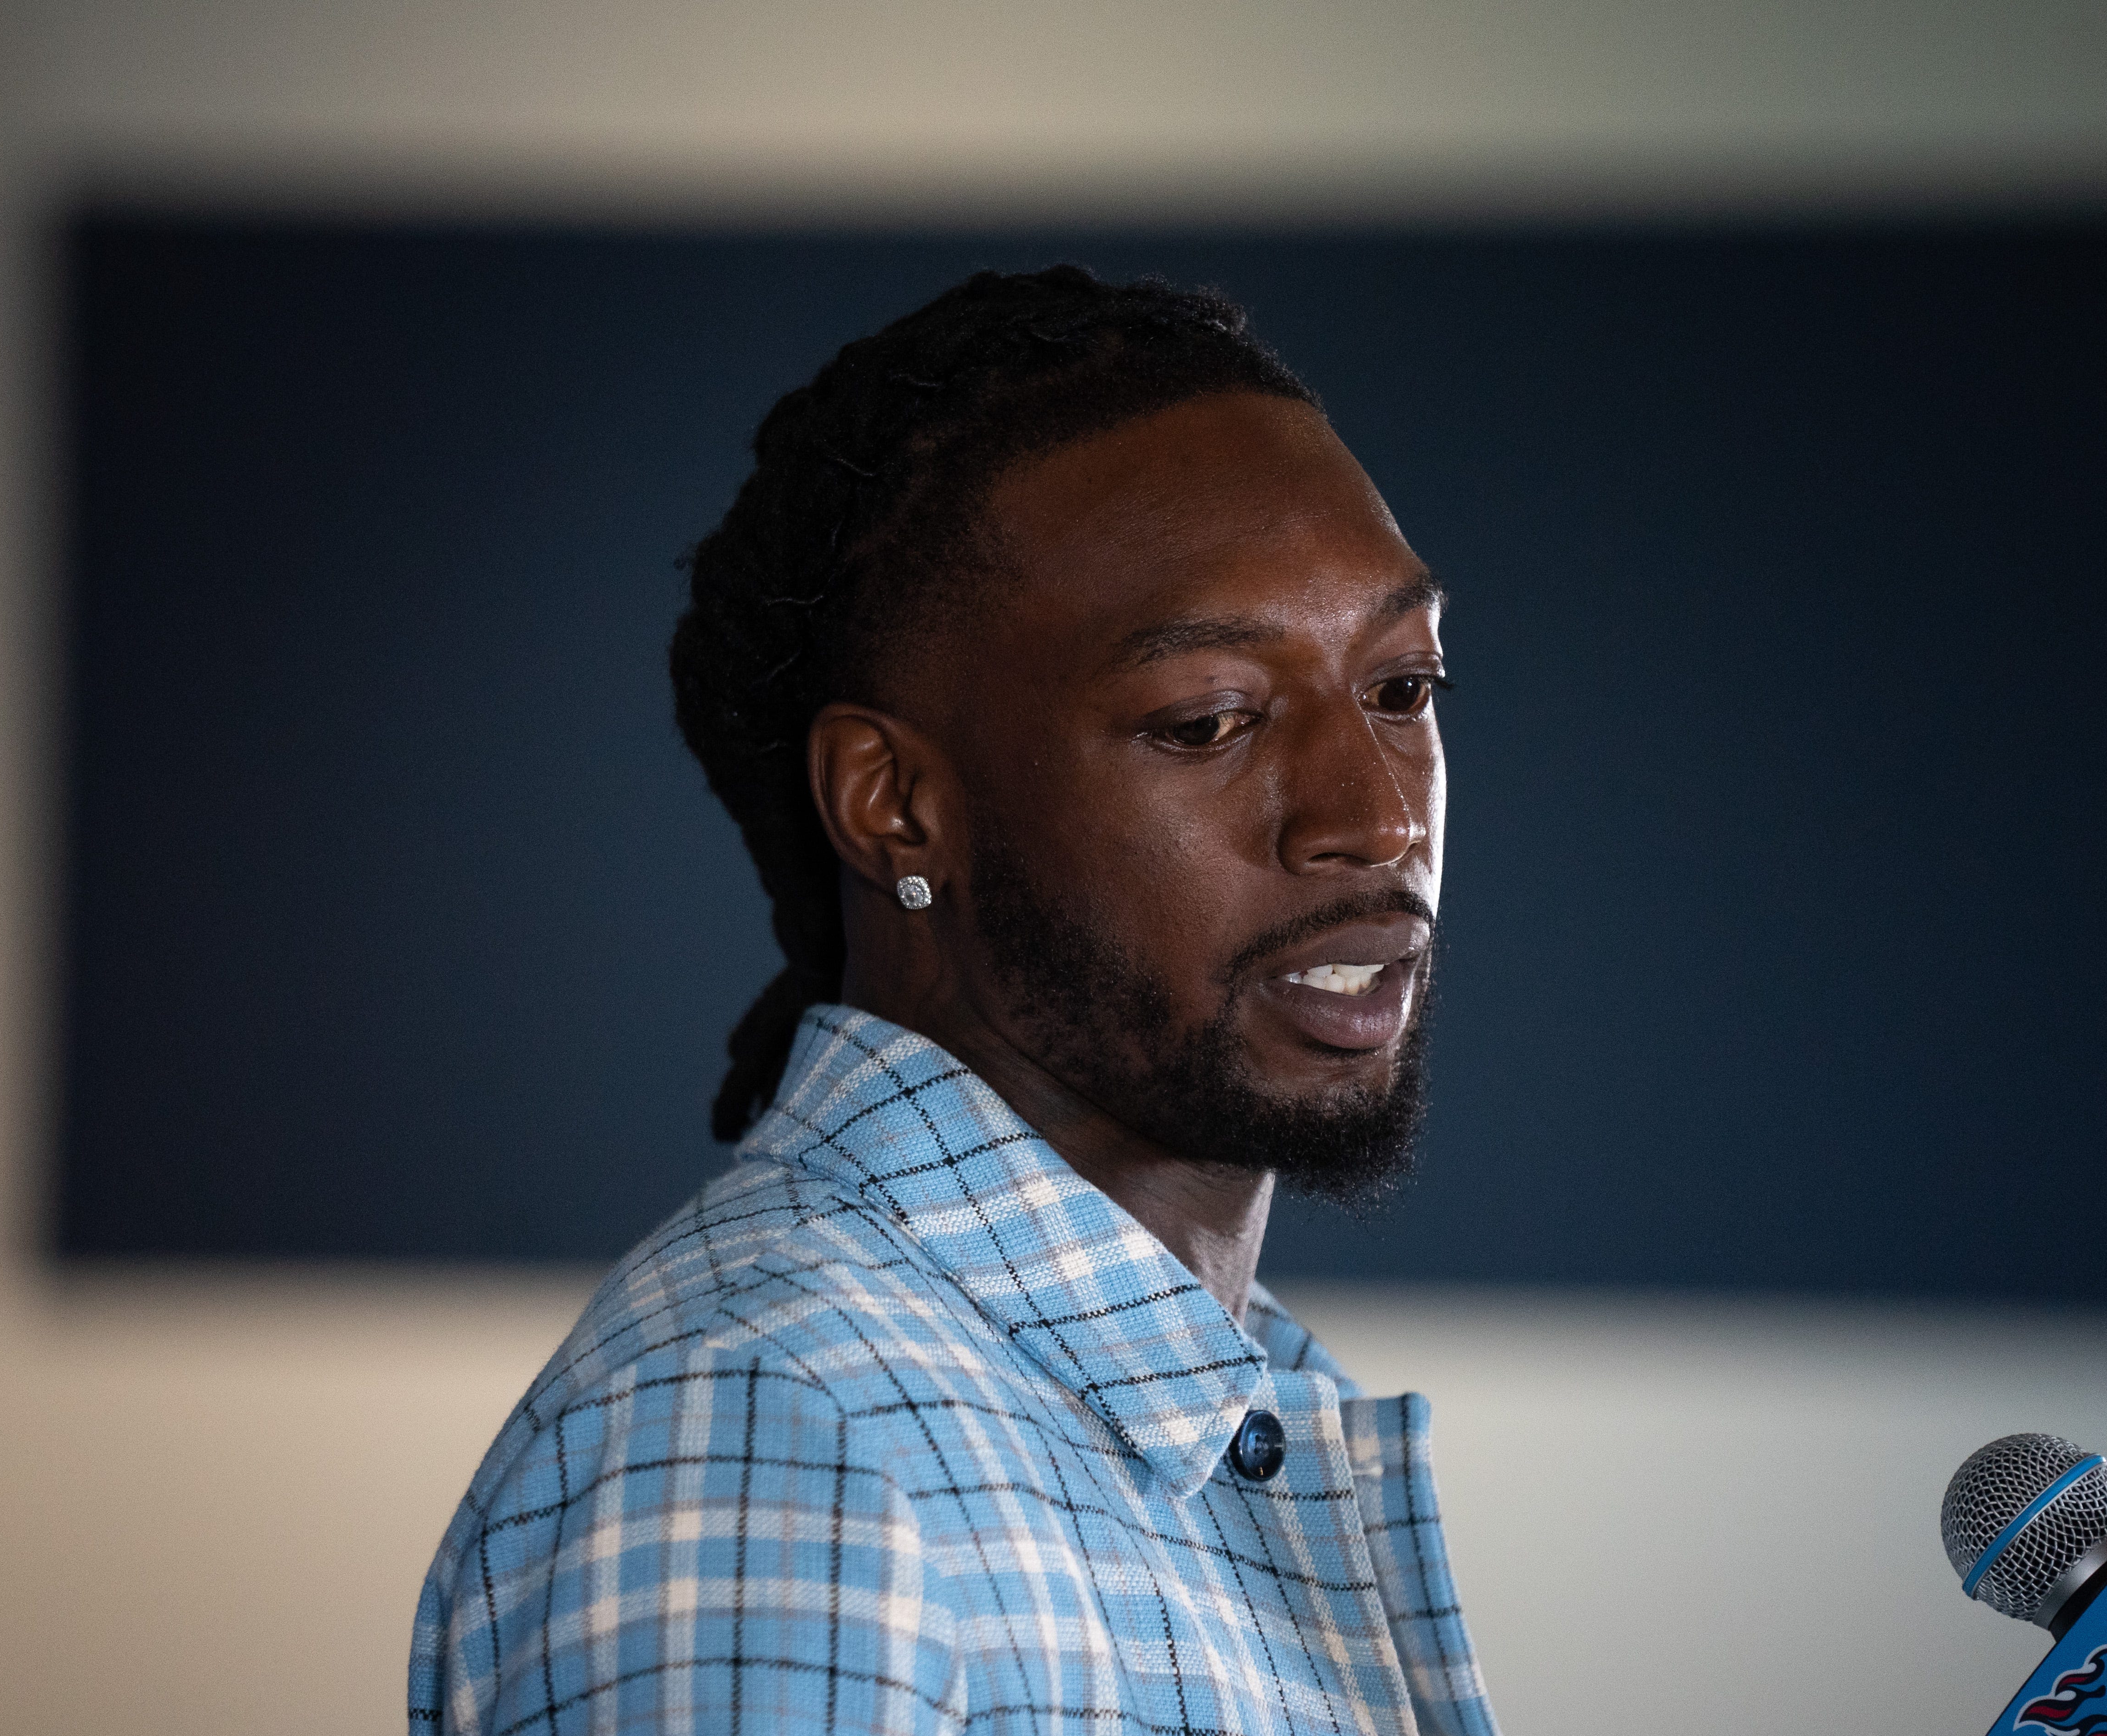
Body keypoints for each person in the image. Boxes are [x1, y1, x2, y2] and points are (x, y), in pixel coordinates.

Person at [410, 266, 1492, 1736]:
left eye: (1404, 688)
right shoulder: (774, 1436)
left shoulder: (1231, 1396)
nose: (1373, 817)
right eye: (1210, 719)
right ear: (897, 805)